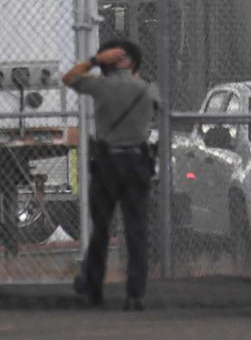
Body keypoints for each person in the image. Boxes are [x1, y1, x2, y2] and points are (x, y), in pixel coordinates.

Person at [64, 39, 157, 311]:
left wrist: (94, 59)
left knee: (102, 229)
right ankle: (135, 294)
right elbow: (161, 107)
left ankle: (93, 289)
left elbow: (68, 78)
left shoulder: (100, 86)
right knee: (137, 230)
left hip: (107, 163)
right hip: (138, 162)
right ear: (135, 63)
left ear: (109, 63)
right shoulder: (148, 89)